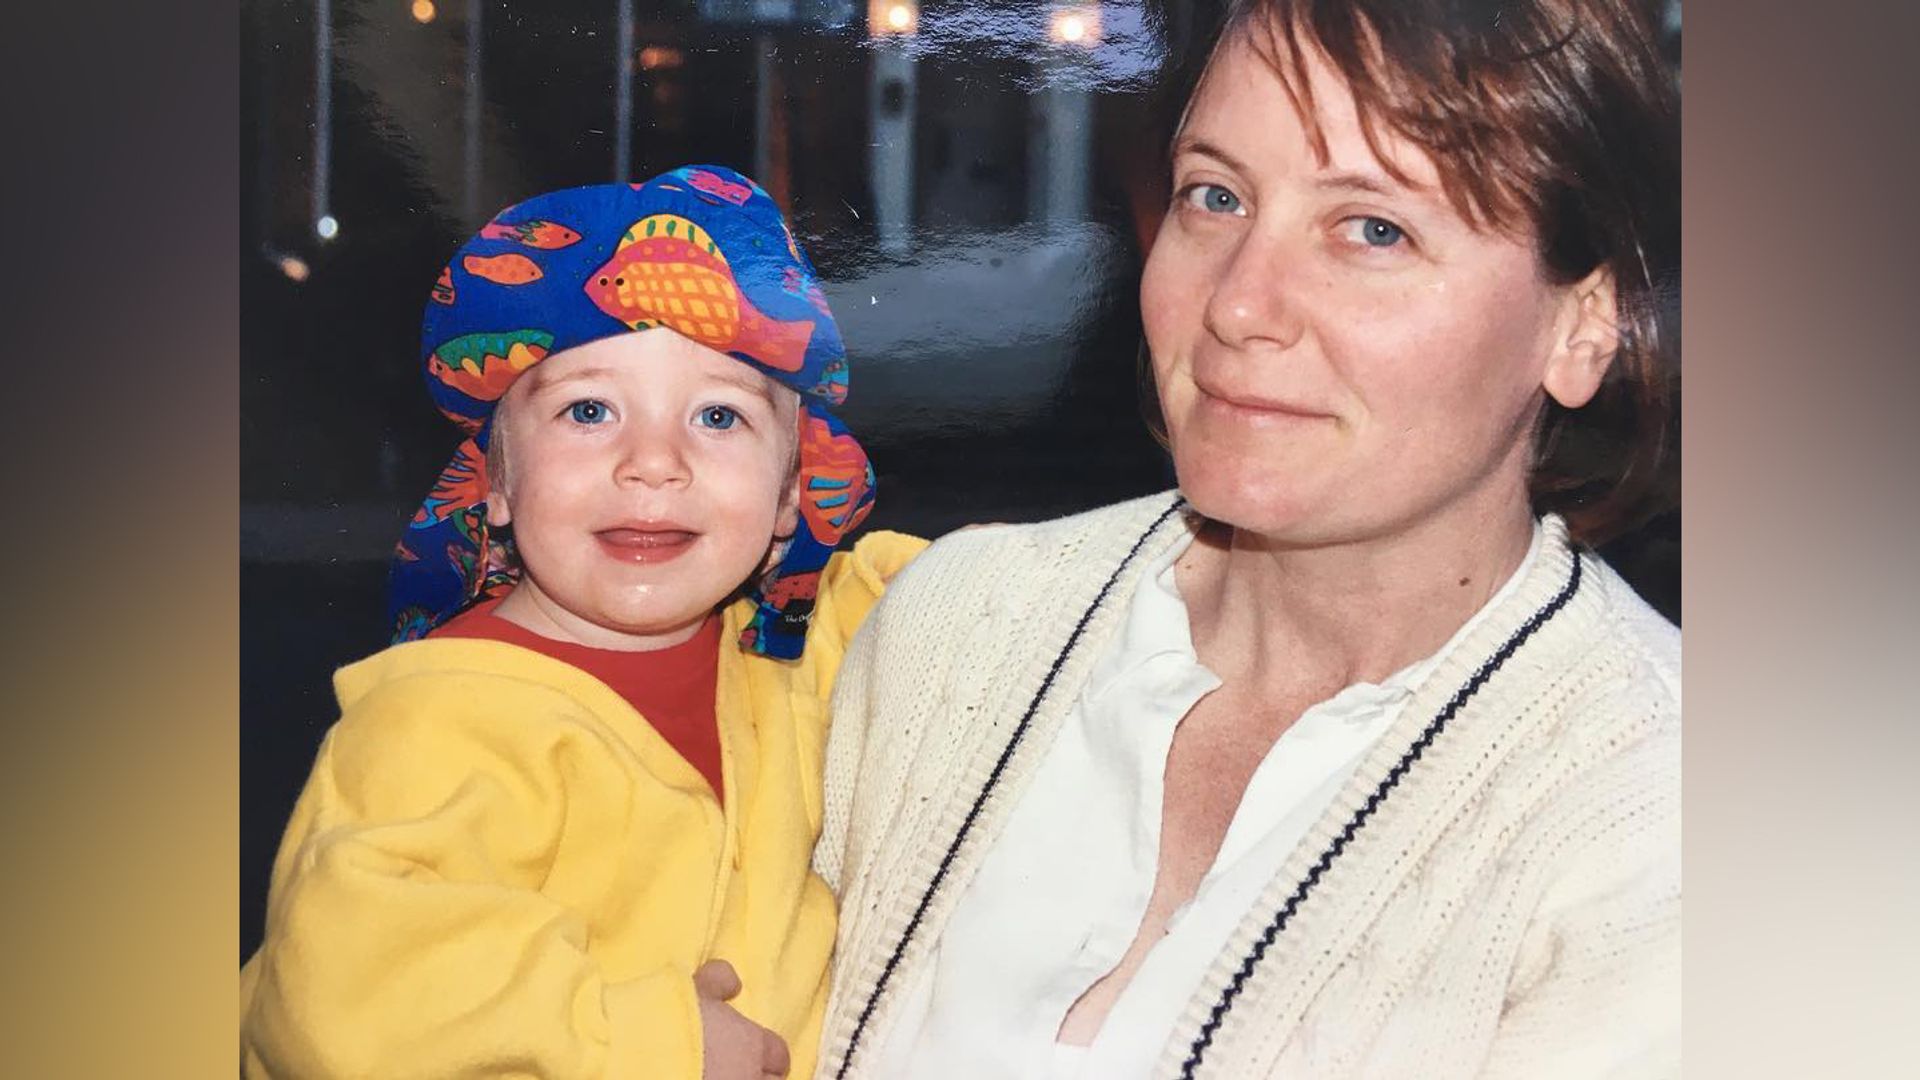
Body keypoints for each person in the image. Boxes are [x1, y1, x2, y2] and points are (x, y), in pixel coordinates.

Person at [812, 1, 1679, 1077]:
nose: (1237, 304)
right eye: (1214, 197)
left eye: (1374, 229)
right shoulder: (956, 630)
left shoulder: (1664, 826)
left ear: (1584, 323)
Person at [239, 166, 924, 1080]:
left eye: (719, 416)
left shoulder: (796, 645)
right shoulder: (440, 720)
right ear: (497, 483)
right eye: (588, 410)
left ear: (794, 494)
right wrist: (645, 1044)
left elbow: (990, 592)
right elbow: (346, 992)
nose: (653, 462)